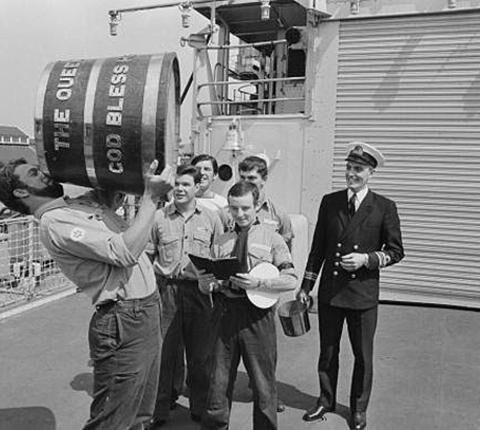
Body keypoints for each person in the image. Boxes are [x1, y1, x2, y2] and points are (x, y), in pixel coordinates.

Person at [0, 158, 173, 430]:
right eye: (34, 173)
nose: (43, 173)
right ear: (21, 192)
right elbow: (124, 252)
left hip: (146, 308)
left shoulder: (74, 204)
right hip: (125, 318)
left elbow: (110, 190)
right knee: (112, 419)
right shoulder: (54, 222)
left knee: (140, 412)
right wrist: (151, 197)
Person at [296, 142, 404, 430]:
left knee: (363, 356)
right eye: (348, 168)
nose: (351, 174)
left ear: (370, 173)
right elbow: (318, 248)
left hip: (362, 295)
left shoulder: (384, 207)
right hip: (331, 292)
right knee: (328, 352)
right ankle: (326, 399)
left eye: (358, 169)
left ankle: (358, 408)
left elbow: (396, 251)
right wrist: (306, 287)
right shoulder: (330, 202)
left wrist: (366, 259)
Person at [199, 181, 297, 430]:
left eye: (245, 208)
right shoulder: (221, 240)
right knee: (218, 382)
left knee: (263, 384)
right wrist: (208, 284)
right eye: (234, 208)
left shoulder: (272, 238)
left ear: (256, 206)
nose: (240, 214)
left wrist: (259, 282)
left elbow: (290, 279)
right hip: (225, 315)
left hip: (257, 317)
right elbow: (208, 281)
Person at [148, 164, 223, 428]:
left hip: (199, 293)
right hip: (166, 291)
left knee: (201, 356)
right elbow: (147, 257)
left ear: (197, 187)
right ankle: (158, 410)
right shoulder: (158, 218)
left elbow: (220, 255)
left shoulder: (211, 218)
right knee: (164, 354)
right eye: (177, 184)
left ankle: (200, 408)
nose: (180, 189)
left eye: (186, 184)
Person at [238, 155, 293, 250]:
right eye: (242, 178)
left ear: (264, 179)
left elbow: (285, 253)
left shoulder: (279, 216)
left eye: (251, 178)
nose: (245, 182)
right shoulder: (227, 214)